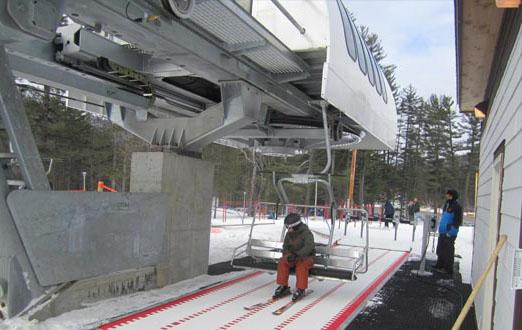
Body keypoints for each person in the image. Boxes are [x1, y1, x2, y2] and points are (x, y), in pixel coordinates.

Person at [273, 213, 315, 301]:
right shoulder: (289, 234)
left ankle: (301, 289)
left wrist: (297, 255)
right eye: (287, 227)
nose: (288, 229)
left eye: (289, 227)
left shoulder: (306, 233)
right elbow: (285, 247)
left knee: (301, 265)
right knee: (282, 261)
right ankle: (283, 286)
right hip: (293, 256)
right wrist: (288, 255)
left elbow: (309, 247)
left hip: (306, 257)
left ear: (295, 226)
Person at [433, 189, 463, 275]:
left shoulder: (457, 206)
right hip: (443, 231)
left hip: (450, 232)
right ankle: (440, 265)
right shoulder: (447, 204)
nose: (447, 196)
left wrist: (451, 232)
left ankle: (448, 269)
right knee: (440, 249)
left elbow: (458, 221)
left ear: (452, 196)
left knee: (448, 251)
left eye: (449, 195)